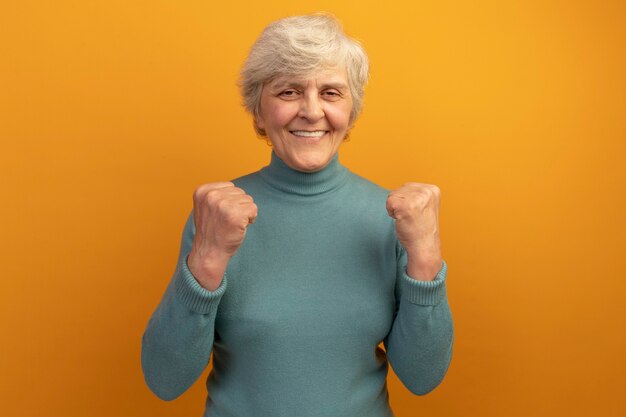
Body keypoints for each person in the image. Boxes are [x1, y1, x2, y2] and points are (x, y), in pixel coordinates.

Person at [141, 13, 453, 417]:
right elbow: (165, 380)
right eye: (288, 92)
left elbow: (423, 378)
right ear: (258, 113)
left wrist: (426, 255)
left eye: (331, 93)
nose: (311, 111)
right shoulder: (217, 215)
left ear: (352, 111)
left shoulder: (394, 219)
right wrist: (207, 257)